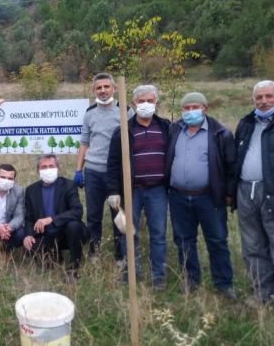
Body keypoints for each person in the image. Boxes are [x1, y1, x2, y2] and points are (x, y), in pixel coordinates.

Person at [234, 80, 274, 319]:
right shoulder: (246, 122)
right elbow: (237, 158)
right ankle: (262, 294)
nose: (263, 101)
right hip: (246, 193)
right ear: (253, 100)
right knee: (253, 249)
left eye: (269, 96)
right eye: (259, 97)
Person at [165, 92, 236, 298]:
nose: (190, 112)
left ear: (205, 108)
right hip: (178, 196)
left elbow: (231, 166)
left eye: (194, 107)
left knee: (217, 240)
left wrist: (228, 194)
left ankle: (224, 284)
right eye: (186, 108)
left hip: (209, 197)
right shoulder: (175, 129)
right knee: (184, 241)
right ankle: (190, 282)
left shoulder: (220, 132)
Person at [107, 84, 170, 291]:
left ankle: (158, 275)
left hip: (157, 190)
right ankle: (131, 272)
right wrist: (114, 191)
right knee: (128, 232)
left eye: (150, 101)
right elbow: (114, 163)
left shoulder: (166, 127)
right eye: (141, 101)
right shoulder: (123, 131)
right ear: (133, 104)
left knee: (158, 233)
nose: (145, 105)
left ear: (156, 103)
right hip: (131, 190)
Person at [74, 72, 131, 260]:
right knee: (93, 215)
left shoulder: (125, 111)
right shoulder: (90, 113)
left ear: (114, 88)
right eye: (99, 88)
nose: (103, 90)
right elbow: (84, 142)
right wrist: (78, 170)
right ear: (94, 91)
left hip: (116, 174)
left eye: (106, 87)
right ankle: (94, 253)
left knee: (118, 215)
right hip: (93, 172)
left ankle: (120, 256)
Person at [24, 155, 89, 278]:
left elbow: (77, 211)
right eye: (43, 167)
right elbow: (29, 217)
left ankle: (74, 266)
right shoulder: (31, 190)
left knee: (73, 225)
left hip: (66, 232)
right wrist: (28, 235)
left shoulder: (69, 185)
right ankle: (56, 256)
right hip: (46, 234)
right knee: (34, 251)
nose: (48, 169)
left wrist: (52, 219)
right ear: (38, 170)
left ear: (57, 168)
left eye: (51, 166)